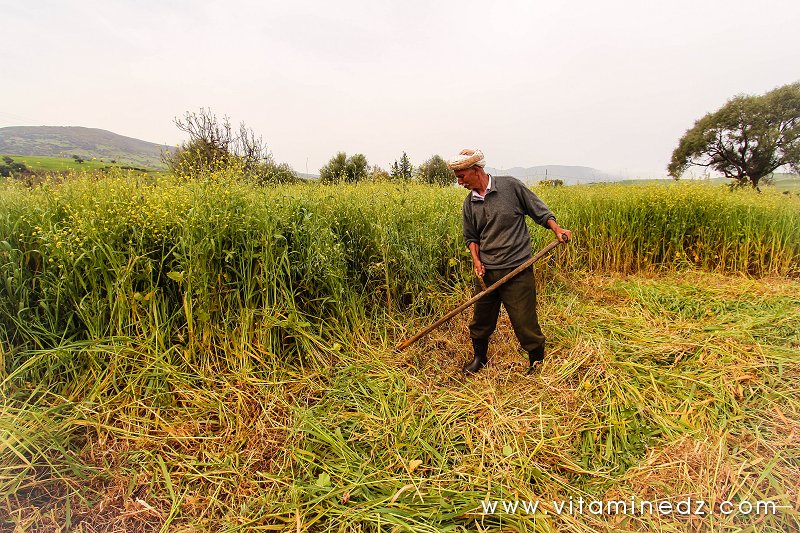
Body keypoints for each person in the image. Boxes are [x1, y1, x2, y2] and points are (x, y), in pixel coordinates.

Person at [447, 149, 571, 374]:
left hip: (517, 269)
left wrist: (557, 229)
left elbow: (540, 212)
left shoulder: (510, 187)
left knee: (525, 321)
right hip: (487, 272)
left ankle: (536, 362)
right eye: (457, 177)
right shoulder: (470, 203)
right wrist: (476, 261)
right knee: (481, 320)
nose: (459, 182)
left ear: (476, 170)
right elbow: (471, 237)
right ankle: (479, 358)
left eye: (461, 176)